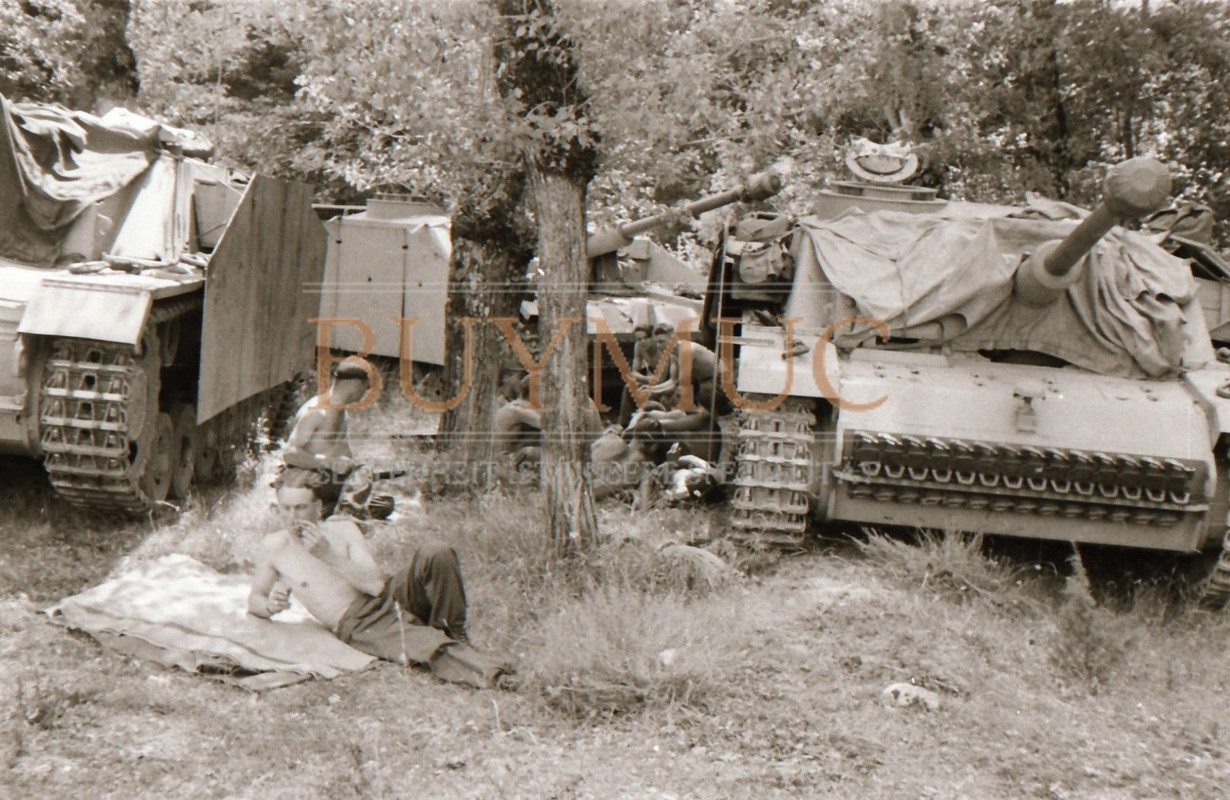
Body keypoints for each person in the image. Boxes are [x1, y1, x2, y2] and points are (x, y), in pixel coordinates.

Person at [248, 475, 506, 688]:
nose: (294, 517)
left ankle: (453, 629)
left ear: (318, 507)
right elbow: (254, 600)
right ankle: (499, 675)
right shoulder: (274, 548)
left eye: (301, 507)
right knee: (428, 644)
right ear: (277, 509)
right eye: (286, 508)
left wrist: (328, 555)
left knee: (436, 552)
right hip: (359, 621)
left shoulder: (343, 530)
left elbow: (376, 585)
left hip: (388, 595)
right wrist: (270, 605)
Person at [280, 360, 388, 518]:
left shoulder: (341, 411)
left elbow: (336, 450)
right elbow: (289, 453)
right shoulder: (317, 411)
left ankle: (345, 506)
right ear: (356, 384)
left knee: (385, 505)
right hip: (310, 485)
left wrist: (355, 470)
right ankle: (340, 511)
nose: (365, 392)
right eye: (366, 387)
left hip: (332, 482)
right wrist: (329, 462)